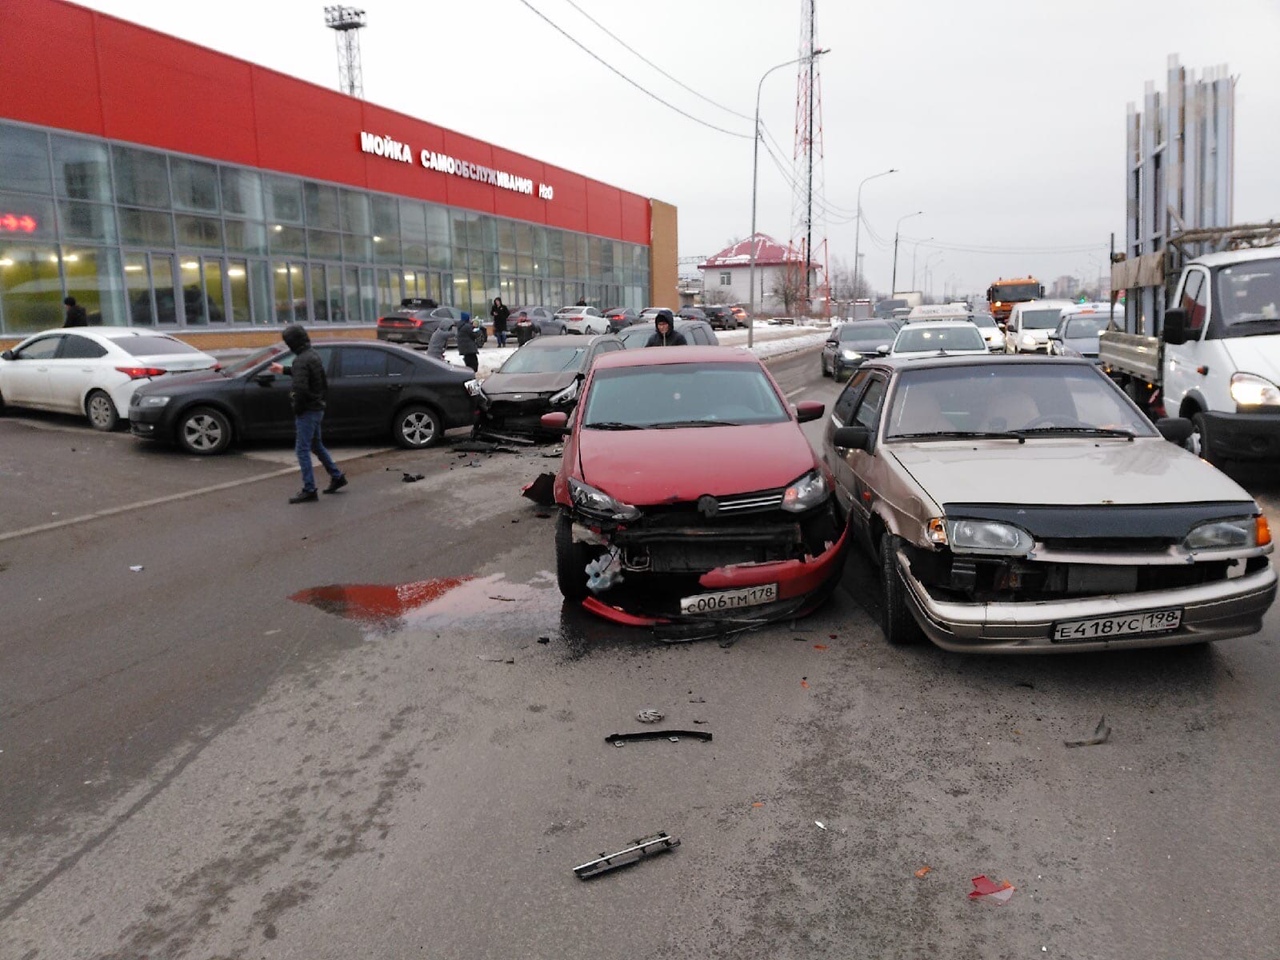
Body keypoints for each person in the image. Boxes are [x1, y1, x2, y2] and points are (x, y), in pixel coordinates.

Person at [272, 324, 347, 504]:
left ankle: (309, 489)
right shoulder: (312, 355)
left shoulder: (301, 360)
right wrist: (283, 370)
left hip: (308, 411)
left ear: (292, 343)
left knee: (302, 449)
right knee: (316, 445)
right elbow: (314, 379)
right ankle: (337, 477)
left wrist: (297, 408)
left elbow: (300, 388)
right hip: (317, 407)